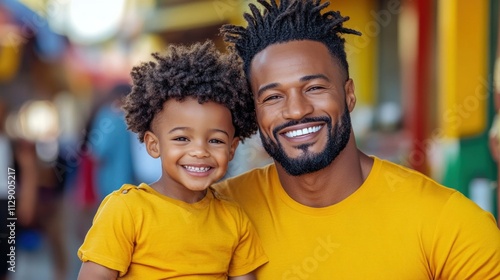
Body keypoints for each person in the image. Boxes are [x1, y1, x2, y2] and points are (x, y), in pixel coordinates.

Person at [214, 0, 500, 279]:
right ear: (255, 111)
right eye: (273, 97)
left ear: (349, 94)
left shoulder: (449, 224)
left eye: (314, 87)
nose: (297, 110)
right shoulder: (216, 214)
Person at [77, 41, 268, 279]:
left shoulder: (235, 220)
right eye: (181, 138)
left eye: (216, 141)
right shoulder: (126, 211)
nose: (199, 151)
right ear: (153, 145)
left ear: (232, 149)